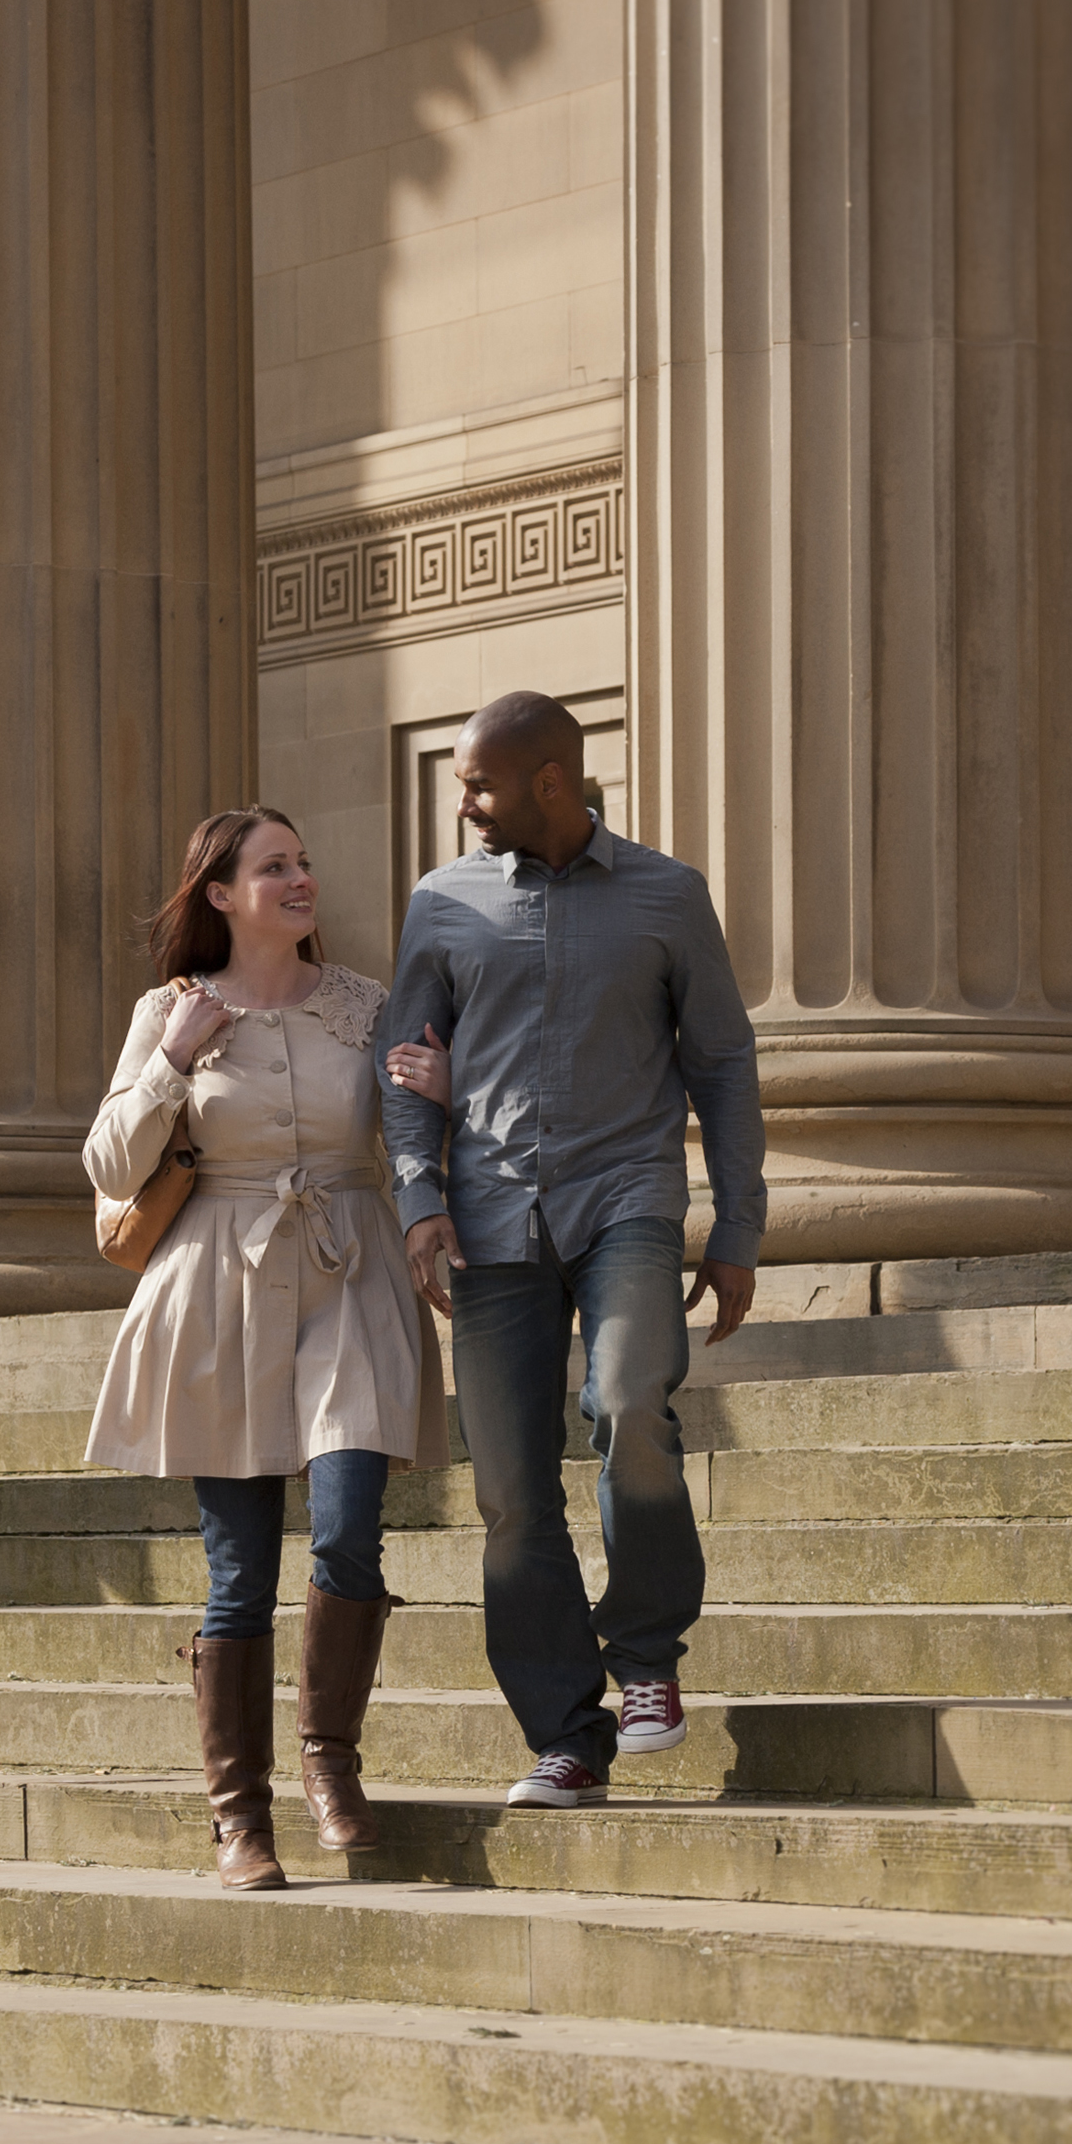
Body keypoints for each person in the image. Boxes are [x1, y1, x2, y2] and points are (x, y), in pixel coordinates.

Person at [375, 692, 764, 1809]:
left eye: (479, 785)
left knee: (629, 1398)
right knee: (507, 1492)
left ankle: (644, 1660)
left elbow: (724, 1066)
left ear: (550, 780)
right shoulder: (440, 903)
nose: (462, 803)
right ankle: (564, 1736)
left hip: (624, 1199)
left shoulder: (666, 896)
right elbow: (405, 1064)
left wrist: (736, 1228)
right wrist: (417, 1199)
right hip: (490, 1218)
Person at [83, 809, 439, 1889]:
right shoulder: (169, 1011)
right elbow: (107, 1164)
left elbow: (420, 1138)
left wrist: (444, 1100)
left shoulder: (364, 1006)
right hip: (217, 1295)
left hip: (347, 1274)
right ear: (221, 895)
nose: (299, 878)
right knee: (237, 1573)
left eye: (303, 861)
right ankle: (238, 1817)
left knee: (347, 1529)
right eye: (272, 866)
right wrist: (167, 1068)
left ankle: (329, 1762)